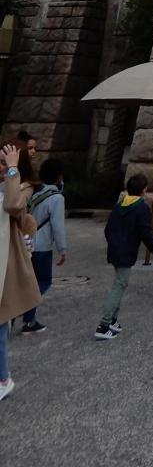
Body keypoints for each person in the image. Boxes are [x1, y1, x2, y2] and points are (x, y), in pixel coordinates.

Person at [0, 142, 41, 400]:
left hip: (6, 262)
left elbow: (14, 205)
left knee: (1, 322)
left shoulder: (23, 187)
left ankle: (4, 378)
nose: (1, 167)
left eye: (4, 162)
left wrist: (12, 170)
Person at [94, 174, 153, 341]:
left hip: (114, 249)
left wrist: (113, 242)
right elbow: (145, 231)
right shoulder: (142, 208)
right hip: (127, 250)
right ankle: (104, 324)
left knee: (120, 282)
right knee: (119, 284)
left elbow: (108, 229)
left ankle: (113, 320)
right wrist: (152, 247)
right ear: (143, 190)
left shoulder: (118, 206)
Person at [21, 158, 67, 334]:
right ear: (59, 177)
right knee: (43, 282)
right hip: (42, 246)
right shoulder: (56, 198)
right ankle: (25, 315)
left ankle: (27, 318)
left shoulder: (33, 191)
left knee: (29, 282)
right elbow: (58, 226)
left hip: (26, 243)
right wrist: (62, 249)